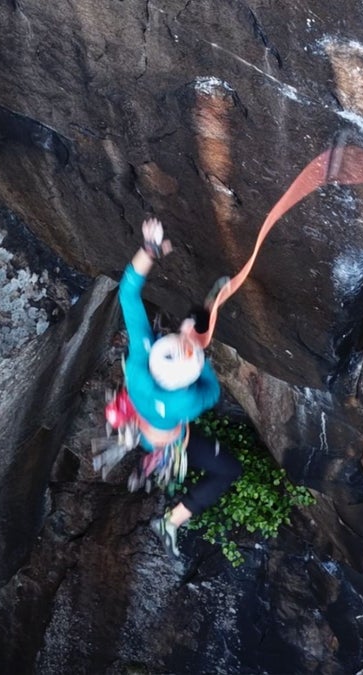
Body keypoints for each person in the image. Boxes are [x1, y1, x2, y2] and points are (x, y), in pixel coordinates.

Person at [110, 216, 242, 559]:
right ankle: (171, 520)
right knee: (228, 470)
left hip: (144, 428)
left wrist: (150, 249)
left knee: (221, 466)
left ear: (155, 351)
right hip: (169, 441)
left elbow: (127, 293)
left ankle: (170, 518)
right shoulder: (189, 401)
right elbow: (211, 388)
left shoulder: (142, 361)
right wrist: (195, 339)